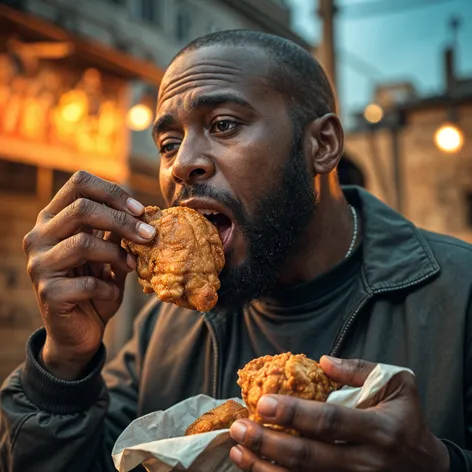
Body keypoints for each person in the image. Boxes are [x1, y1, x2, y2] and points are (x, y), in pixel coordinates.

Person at [0, 30, 471, 472]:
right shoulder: (166, 328)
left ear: (322, 145)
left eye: (224, 124)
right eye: (168, 143)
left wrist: (439, 462)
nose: (182, 164)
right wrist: (64, 363)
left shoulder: (459, 293)